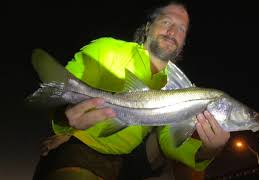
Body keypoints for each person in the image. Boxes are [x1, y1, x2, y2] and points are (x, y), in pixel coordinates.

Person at [32, 2, 230, 180]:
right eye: (166, 22)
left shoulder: (181, 86)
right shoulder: (107, 48)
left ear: (184, 42)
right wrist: (64, 120)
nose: (172, 32)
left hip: (124, 162)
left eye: (181, 29)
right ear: (147, 27)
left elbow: (170, 142)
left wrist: (209, 150)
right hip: (80, 149)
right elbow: (60, 97)